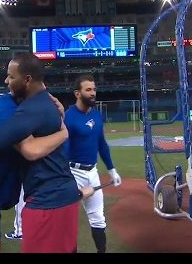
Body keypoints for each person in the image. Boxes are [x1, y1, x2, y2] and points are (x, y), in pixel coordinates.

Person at [0, 52, 95, 253]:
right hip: (61, 196)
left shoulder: (33, 108)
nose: (6, 81)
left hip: (47, 203)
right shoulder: (46, 103)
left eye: (11, 76)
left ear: (27, 79)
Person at [0, 92, 70, 253]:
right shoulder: (6, 108)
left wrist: (58, 117)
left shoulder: (21, 109)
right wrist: (63, 132)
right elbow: (30, 149)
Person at [64, 74, 122, 253]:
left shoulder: (96, 115)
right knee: (68, 222)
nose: (93, 93)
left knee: (98, 219)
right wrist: (67, 181)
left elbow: (101, 144)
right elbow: (63, 152)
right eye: (88, 90)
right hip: (73, 173)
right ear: (77, 93)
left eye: (94, 89)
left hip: (92, 173)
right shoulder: (69, 116)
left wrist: (111, 169)